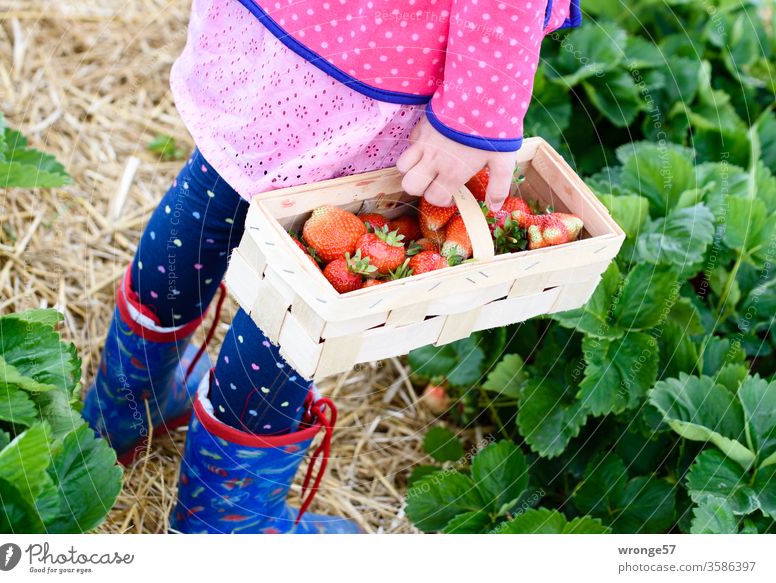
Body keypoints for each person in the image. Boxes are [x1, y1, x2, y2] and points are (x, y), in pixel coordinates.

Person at [82, 0, 582, 534]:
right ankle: (224, 524)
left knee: (223, 177)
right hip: (376, 66)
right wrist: (471, 117)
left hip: (282, 27)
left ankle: (121, 411)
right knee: (302, 284)